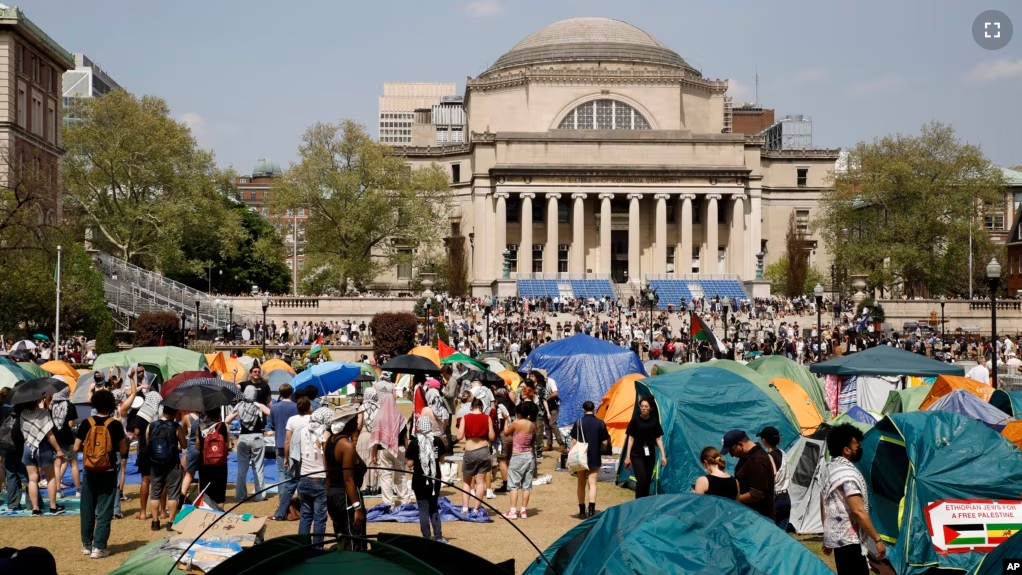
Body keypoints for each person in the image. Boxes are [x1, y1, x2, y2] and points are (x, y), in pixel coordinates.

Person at [822, 424, 886, 574]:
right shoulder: (847, 476)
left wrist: (828, 533)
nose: (860, 448)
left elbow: (823, 504)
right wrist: (877, 539)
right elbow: (858, 511)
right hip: (850, 542)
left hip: (838, 539)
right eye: (857, 446)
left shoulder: (829, 469)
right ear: (846, 450)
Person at [74, 390, 128, 559]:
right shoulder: (115, 424)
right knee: (105, 509)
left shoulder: (86, 423)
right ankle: (99, 546)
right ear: (111, 405)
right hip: (108, 469)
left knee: (87, 506)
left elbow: (76, 447)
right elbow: (123, 449)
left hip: (90, 470)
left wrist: (91, 453)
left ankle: (86, 544)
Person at [326, 404, 368, 549]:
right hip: (347, 498)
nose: (357, 423)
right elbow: (348, 480)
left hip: (333, 496)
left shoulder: (329, 442)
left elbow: (328, 475)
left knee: (341, 540)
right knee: (354, 541)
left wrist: (329, 502)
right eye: (355, 419)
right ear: (347, 422)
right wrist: (357, 508)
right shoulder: (346, 446)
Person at [19, 396, 66, 515]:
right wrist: (58, 450)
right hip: (43, 447)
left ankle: (36, 509)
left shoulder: (23, 414)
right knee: (51, 477)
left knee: (32, 479)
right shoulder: (43, 413)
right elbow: (49, 434)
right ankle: (53, 507)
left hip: (28, 447)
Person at [370, 381, 410, 511]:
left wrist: (373, 454)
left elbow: (376, 439)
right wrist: (407, 452)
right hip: (399, 449)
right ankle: (404, 501)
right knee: (401, 475)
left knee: (385, 477)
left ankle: (388, 503)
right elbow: (405, 437)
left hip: (383, 450)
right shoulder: (400, 417)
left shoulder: (379, 418)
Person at [405, 416, 447, 542]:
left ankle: (426, 538)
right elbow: (442, 459)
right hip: (434, 480)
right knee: (434, 507)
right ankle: (438, 536)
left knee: (423, 509)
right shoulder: (437, 441)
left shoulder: (414, 443)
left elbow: (409, 464)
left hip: (419, 480)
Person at [226, 386, 271, 502]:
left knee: (242, 468)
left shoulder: (239, 406)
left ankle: (240, 495)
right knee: (258, 467)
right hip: (257, 437)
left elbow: (227, 420)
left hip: (243, 438)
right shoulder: (258, 406)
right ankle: (260, 495)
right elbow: (270, 413)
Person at [146, 406, 186, 531]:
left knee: (155, 493)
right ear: (174, 413)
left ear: (163, 411)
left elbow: (148, 443)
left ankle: (155, 522)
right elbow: (184, 445)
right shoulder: (176, 427)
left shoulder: (151, 426)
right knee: (173, 493)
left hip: (155, 464)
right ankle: (170, 522)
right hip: (173, 463)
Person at [298, 407, 333, 546]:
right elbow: (326, 459)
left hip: (304, 476)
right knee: (319, 517)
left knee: (305, 516)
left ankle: (302, 546)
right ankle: (317, 548)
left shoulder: (302, 431)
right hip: (319, 477)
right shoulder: (325, 434)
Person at [569, 400, 610, 519]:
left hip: (581, 456)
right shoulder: (600, 423)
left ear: (583, 409)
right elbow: (605, 442)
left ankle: (582, 511)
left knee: (581, 483)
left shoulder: (579, 422)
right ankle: (591, 510)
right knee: (592, 484)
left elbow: (574, 441)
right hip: (594, 455)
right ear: (594, 409)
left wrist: (570, 454)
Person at [722, 429, 775, 519]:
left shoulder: (758, 460)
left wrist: (735, 499)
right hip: (748, 514)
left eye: (731, 450)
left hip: (759, 518)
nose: (731, 455)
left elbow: (756, 494)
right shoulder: (745, 457)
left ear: (740, 444)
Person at [274, 396, 312, 521]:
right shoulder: (312, 419)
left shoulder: (292, 420)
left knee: (290, 485)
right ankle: (308, 510)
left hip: (295, 456)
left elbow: (288, 441)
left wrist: (286, 457)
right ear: (309, 407)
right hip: (309, 455)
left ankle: (280, 513)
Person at [456, 397, 495, 518]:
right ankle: (476, 509)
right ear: (482, 407)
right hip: (483, 450)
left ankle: (465, 508)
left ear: (471, 406)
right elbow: (492, 437)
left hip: (470, 450)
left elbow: (459, 436)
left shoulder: (465, 417)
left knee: (467, 482)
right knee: (480, 482)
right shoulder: (487, 417)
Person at [623, 396, 667, 498]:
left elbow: (658, 439)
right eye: (642, 406)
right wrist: (628, 456)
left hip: (650, 455)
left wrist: (663, 455)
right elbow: (630, 439)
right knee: (641, 479)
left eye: (646, 406)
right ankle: (638, 502)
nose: (643, 408)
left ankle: (644, 502)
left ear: (650, 408)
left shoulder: (654, 421)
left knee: (647, 480)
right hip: (636, 454)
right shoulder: (635, 421)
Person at [269, 383, 299, 517]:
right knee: (295, 472)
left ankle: (282, 499)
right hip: (294, 442)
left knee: (282, 472)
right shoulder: (296, 407)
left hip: (280, 441)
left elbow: (273, 425)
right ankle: (294, 499)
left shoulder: (274, 407)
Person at [502, 403, 536, 519]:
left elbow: (506, 433)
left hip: (518, 455)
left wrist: (506, 420)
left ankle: (512, 511)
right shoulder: (532, 425)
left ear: (519, 414)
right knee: (527, 485)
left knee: (513, 485)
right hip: (529, 455)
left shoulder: (516, 423)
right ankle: (523, 510)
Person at [758, 426, 791, 531]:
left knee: (771, 532)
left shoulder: (768, 457)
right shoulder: (783, 453)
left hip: (774, 498)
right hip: (786, 496)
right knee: (782, 533)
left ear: (764, 441)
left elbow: (770, 476)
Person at [50, 386, 80, 497]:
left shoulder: (52, 405)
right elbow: (71, 424)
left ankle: (57, 491)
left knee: (57, 465)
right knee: (74, 464)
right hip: (67, 438)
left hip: (55, 438)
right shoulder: (70, 406)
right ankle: (78, 490)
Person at [195, 410, 229, 505]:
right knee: (220, 495)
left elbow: (197, 446)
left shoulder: (200, 426)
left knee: (205, 493)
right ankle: (218, 516)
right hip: (220, 463)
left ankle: (206, 516)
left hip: (205, 463)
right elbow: (227, 445)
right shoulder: (222, 426)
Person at [355, 386, 380, 496]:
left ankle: (364, 486)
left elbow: (359, 424)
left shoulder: (362, 407)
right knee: (374, 459)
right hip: (375, 436)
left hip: (364, 435)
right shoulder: (379, 407)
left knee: (363, 459)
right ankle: (374, 486)